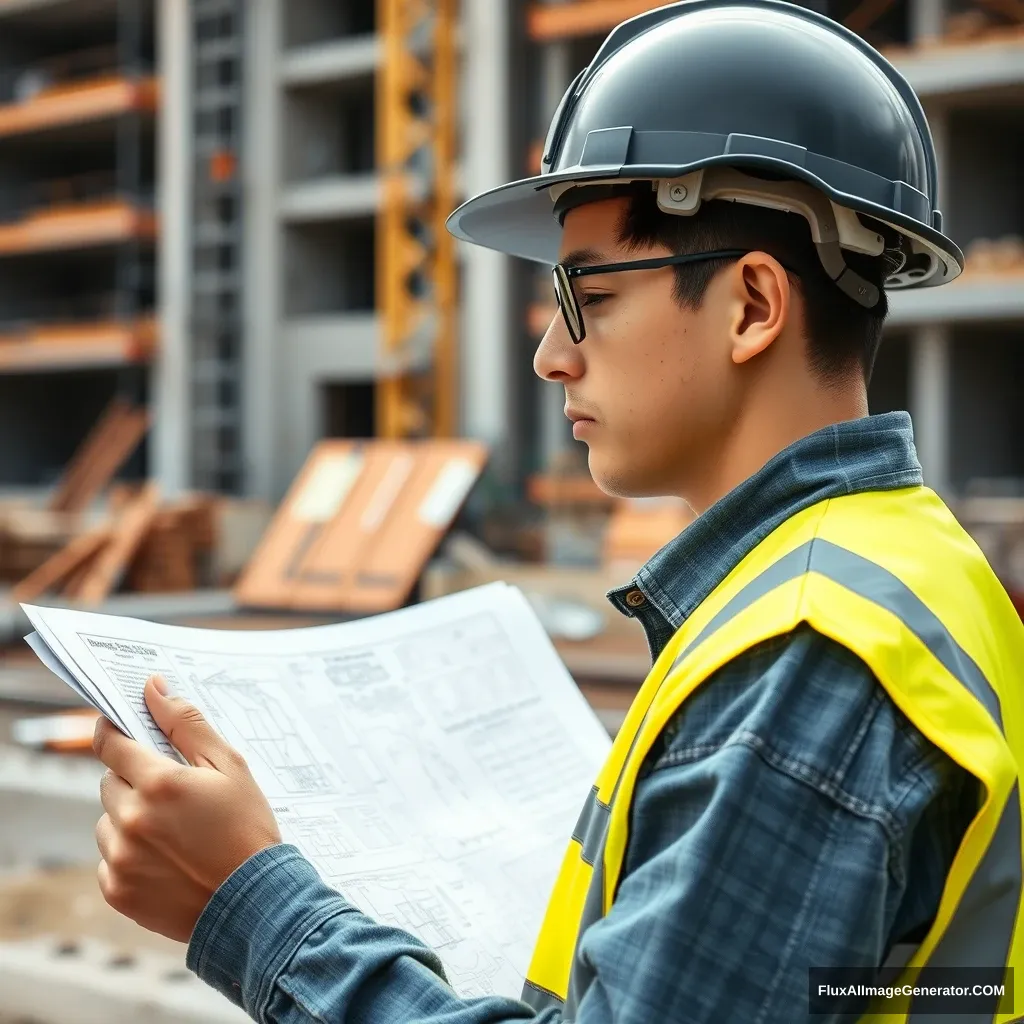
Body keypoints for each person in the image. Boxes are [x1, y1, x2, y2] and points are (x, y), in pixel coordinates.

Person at [90, 1, 1024, 1021]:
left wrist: (251, 903)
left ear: (752, 305)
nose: (550, 355)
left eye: (590, 297)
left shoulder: (804, 655)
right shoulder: (908, 565)